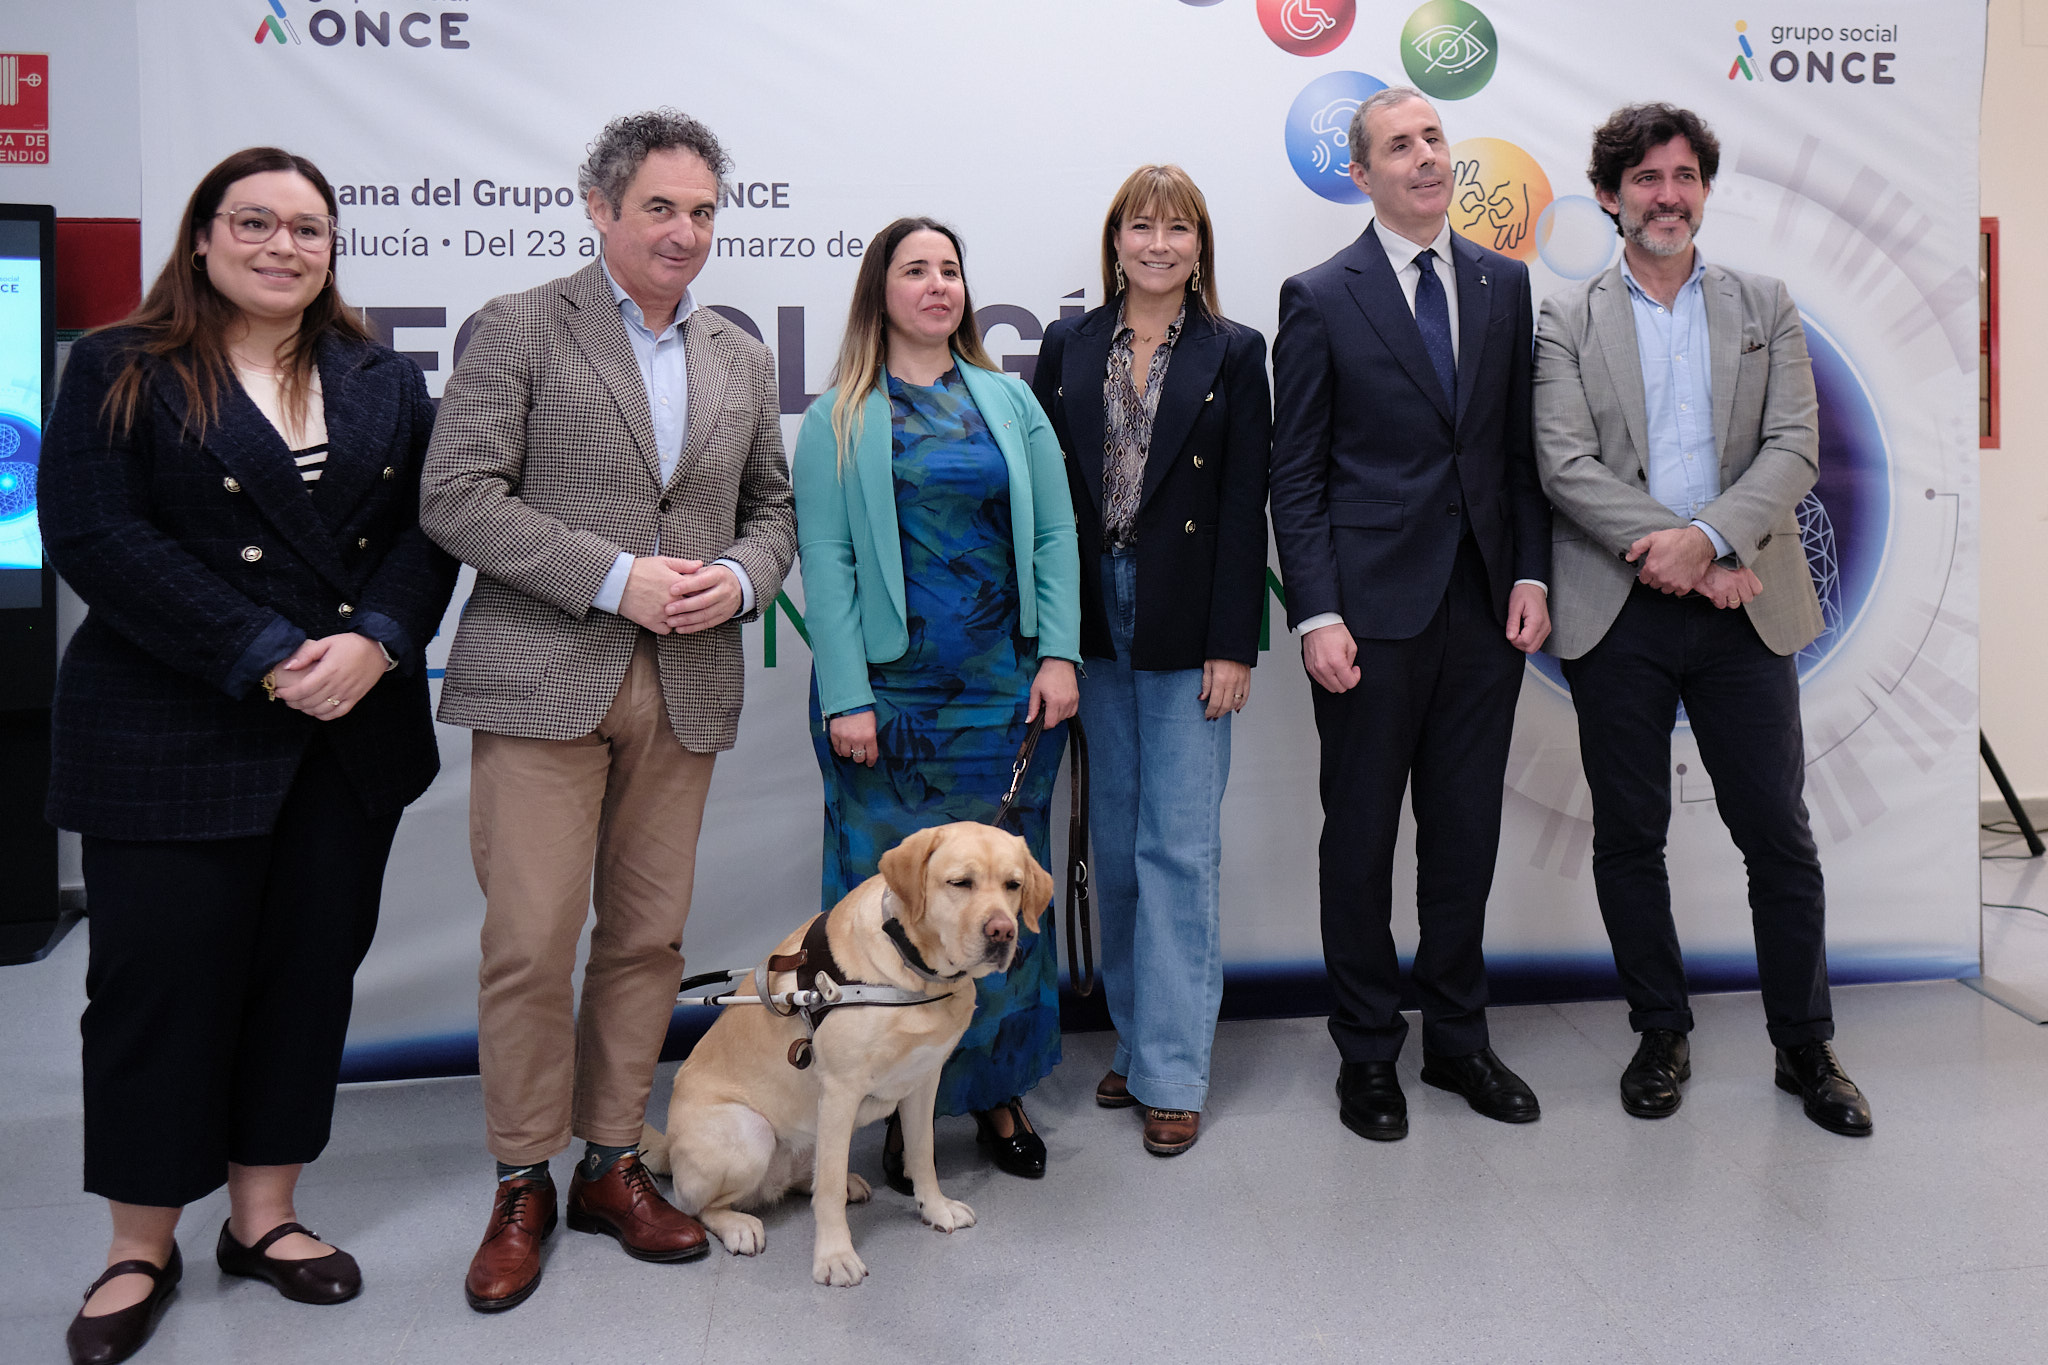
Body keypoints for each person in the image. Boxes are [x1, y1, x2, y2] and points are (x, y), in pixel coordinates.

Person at [39, 145, 458, 1365]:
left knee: (303, 981)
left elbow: (429, 534)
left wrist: (378, 640)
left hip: (346, 735)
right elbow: (97, 536)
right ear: (206, 236)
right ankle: (139, 1243)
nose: (284, 246)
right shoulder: (119, 366)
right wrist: (273, 649)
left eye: (309, 229)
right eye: (258, 223)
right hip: (172, 726)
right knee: (155, 993)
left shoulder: (382, 377)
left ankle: (264, 1220)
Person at [419, 109, 798, 1312]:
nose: (684, 233)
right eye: (658, 209)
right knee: (530, 944)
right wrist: (609, 575)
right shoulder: (522, 326)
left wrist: (740, 578)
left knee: (646, 942)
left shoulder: (737, 352)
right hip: (542, 675)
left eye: (700, 211)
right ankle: (522, 1178)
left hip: (684, 684)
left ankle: (609, 1161)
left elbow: (771, 510)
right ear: (598, 209)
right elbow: (456, 496)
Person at [1532, 103, 1872, 1136]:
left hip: (1744, 608)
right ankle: (1659, 1030)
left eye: (1682, 177)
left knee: (1775, 833)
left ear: (1702, 192)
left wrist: (1714, 543)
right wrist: (1684, 556)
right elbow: (1563, 463)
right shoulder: (1564, 320)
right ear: (1607, 195)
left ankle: (1803, 1046)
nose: (1665, 196)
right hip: (1617, 613)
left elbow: (1791, 449)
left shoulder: (1764, 305)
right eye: (1643, 179)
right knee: (1628, 835)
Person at [1269, 87, 1552, 1144]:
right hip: (1367, 618)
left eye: (1433, 138)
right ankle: (1366, 1055)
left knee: (1463, 835)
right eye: (1400, 145)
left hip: (1483, 609)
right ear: (1362, 172)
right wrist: (1316, 614)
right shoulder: (1320, 295)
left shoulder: (1501, 283)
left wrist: (1528, 576)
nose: (1426, 158)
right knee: (1359, 842)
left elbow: (1512, 452)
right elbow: (1293, 476)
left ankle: (1459, 1045)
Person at [792, 216, 1081, 1184]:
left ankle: (996, 1094)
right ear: (880, 291)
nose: (936, 285)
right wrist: (846, 696)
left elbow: (1052, 540)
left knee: (1002, 907)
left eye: (949, 270)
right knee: (885, 914)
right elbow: (826, 566)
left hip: (1005, 693)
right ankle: (881, 1095)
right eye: (914, 270)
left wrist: (1058, 656)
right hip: (885, 703)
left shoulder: (1009, 402)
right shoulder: (839, 413)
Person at [1029, 166, 1271, 1157]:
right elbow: (1048, 507)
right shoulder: (1066, 346)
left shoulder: (1234, 351)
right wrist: (1052, 638)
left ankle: (1172, 1070)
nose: (1159, 244)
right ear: (1115, 241)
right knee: (1115, 848)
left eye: (1178, 229)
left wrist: (1230, 642)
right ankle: (1136, 1037)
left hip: (1184, 625)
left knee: (1178, 847)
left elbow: (1242, 502)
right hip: (1092, 623)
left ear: (1199, 245)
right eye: (1142, 226)